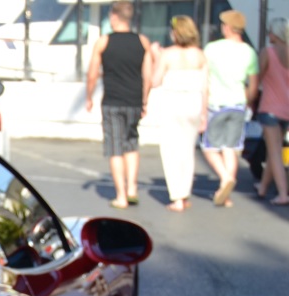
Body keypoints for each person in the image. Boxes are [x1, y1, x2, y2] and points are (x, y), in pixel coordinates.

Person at [85, 0, 153, 209]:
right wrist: (144, 100)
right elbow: (148, 75)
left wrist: (89, 96)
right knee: (131, 144)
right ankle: (132, 188)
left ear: (114, 17)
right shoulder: (142, 41)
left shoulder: (104, 42)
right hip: (134, 100)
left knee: (115, 148)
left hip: (113, 101)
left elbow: (93, 73)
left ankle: (121, 196)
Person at [150, 15, 208, 212]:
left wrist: (155, 56)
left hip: (172, 103)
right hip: (193, 103)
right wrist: (204, 115)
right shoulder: (200, 55)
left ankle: (177, 196)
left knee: (170, 151)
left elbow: (155, 81)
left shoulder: (167, 54)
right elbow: (205, 87)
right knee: (187, 150)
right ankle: (185, 192)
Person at [202, 9, 259, 207]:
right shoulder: (249, 52)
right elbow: (253, 83)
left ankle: (225, 178)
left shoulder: (212, 48)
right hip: (238, 104)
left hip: (217, 104)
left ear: (227, 27)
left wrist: (202, 107)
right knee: (230, 148)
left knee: (209, 148)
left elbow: (204, 79)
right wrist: (249, 102)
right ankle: (226, 195)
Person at [255, 18, 289, 205]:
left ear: (275, 33)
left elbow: (258, 77)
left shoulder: (268, 52)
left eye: (270, 32)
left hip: (270, 108)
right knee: (273, 150)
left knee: (274, 151)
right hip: (287, 109)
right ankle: (263, 187)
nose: (268, 35)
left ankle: (283, 193)